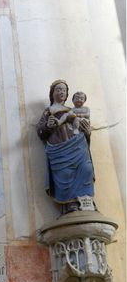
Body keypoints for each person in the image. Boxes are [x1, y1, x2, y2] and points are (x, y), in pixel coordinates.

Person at [37, 80, 95, 213]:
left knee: (86, 169)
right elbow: (40, 131)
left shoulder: (72, 110)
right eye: (58, 89)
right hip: (59, 149)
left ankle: (87, 202)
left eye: (64, 90)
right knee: (65, 174)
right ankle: (70, 204)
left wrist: (87, 133)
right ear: (52, 93)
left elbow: (82, 128)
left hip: (78, 146)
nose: (61, 92)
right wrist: (47, 126)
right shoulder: (49, 111)